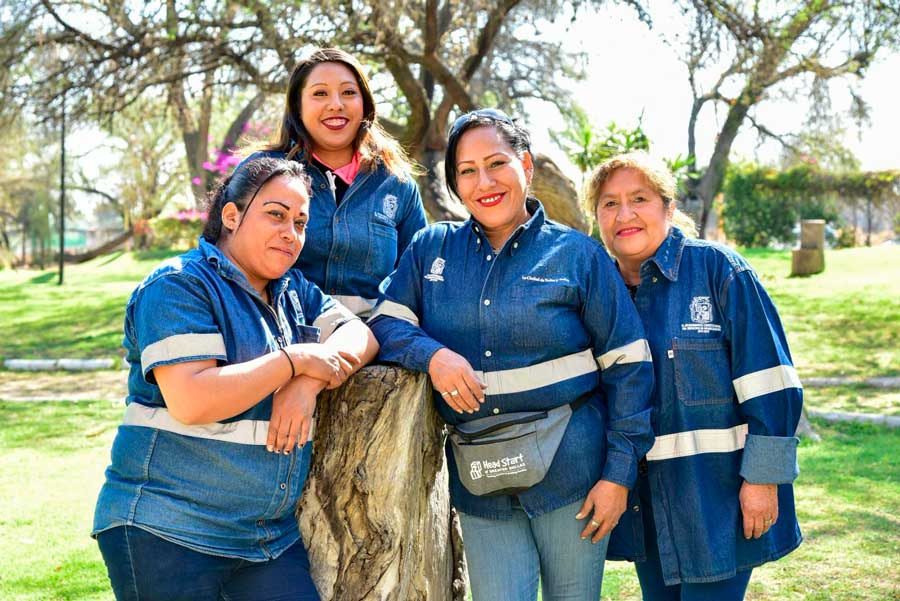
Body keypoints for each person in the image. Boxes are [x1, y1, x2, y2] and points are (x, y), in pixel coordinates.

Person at [368, 109, 655, 601]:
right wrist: (434, 356)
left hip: (575, 479)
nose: (484, 182)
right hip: (480, 483)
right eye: (467, 171)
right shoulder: (429, 249)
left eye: (497, 163)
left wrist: (618, 476)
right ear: (455, 184)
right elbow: (386, 322)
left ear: (525, 164)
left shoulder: (577, 256)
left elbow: (629, 368)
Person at [92, 157, 379, 601]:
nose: (292, 233)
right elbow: (193, 400)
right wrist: (293, 360)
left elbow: (360, 334)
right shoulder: (179, 285)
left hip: (264, 540)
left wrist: (307, 382)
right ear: (231, 216)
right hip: (168, 531)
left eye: (301, 222)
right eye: (276, 215)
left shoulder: (293, 291)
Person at [586, 151, 803, 600]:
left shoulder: (721, 271)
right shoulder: (596, 292)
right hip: (645, 506)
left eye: (639, 199)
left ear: (667, 207)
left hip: (719, 501)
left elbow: (773, 383)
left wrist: (764, 479)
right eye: (609, 203)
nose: (624, 214)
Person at [244, 47, 427, 317]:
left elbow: (419, 276)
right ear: (297, 105)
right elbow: (225, 257)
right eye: (320, 93)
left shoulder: (397, 183)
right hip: (276, 329)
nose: (336, 104)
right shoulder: (261, 171)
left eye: (349, 92)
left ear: (365, 102)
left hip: (376, 338)